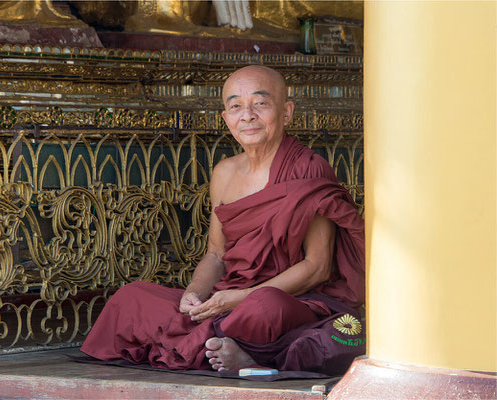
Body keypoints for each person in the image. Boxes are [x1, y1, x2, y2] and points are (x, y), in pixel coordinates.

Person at [80, 65, 365, 373]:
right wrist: (195, 293)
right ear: (226, 117)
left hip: (290, 301)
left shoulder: (308, 169)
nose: (247, 115)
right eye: (235, 106)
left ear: (286, 112)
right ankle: (230, 348)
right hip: (228, 299)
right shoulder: (224, 173)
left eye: (260, 103)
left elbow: (317, 268)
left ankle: (226, 350)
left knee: (264, 307)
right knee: (131, 297)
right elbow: (216, 254)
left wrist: (238, 299)